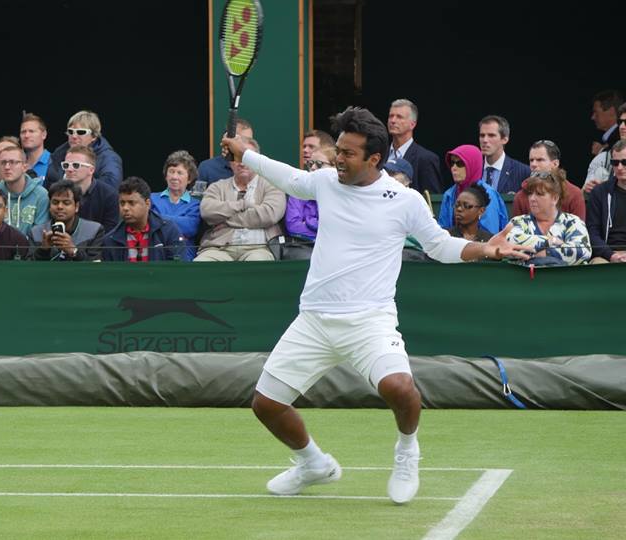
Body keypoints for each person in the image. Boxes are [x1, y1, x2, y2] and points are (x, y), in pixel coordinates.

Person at [220, 106, 531, 504]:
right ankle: (314, 464)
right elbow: (292, 179)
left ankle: (406, 452)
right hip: (314, 319)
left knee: (400, 387)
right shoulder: (327, 182)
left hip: (370, 320)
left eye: (348, 154)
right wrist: (244, 153)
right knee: (266, 404)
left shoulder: (404, 200)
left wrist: (485, 248)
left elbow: (439, 246)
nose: (338, 160)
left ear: (374, 159)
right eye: (339, 150)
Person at [195, 138, 285, 262]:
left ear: (257, 161)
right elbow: (207, 211)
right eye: (237, 158)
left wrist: (226, 221)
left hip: (260, 247)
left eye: (246, 158)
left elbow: (270, 214)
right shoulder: (217, 186)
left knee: (258, 263)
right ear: (230, 162)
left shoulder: (272, 185)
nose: (242, 163)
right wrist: (243, 204)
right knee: (201, 264)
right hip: (219, 248)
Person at [506, 169, 591, 266]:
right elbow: (510, 244)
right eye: (530, 193)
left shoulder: (572, 221)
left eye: (539, 194)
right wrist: (550, 241)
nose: (532, 199)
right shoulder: (518, 221)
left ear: (555, 198)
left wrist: (545, 253)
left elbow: (583, 251)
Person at [102, 176, 185, 262]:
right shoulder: (110, 239)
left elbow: (177, 270)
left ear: (147, 203)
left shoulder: (169, 231)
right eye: (122, 203)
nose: (125, 208)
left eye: (131, 203)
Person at [437, 144, 508, 235]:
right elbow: (443, 231)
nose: (454, 168)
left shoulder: (487, 195)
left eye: (460, 163)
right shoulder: (449, 194)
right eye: (452, 163)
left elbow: (489, 236)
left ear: (472, 164)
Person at [44, 110, 123, 189]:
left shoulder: (109, 158)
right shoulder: (59, 153)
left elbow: (109, 188)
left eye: (81, 132)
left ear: (94, 136)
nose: (74, 136)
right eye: (70, 131)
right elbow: (49, 184)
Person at [29, 180, 104, 261]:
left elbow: (96, 268)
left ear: (77, 206)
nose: (60, 206)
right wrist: (44, 250)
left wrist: (74, 251)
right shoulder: (36, 232)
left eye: (66, 203)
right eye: (55, 202)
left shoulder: (94, 231)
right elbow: (29, 269)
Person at [513, 141, 586, 220]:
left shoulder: (574, 194)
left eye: (540, 160)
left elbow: (579, 230)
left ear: (555, 164)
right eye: (531, 160)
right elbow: (517, 229)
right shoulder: (521, 196)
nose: (533, 164)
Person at [150, 150, 201, 261]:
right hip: (156, 254)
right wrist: (179, 223)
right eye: (171, 171)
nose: (174, 177)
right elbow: (148, 224)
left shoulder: (195, 205)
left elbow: (190, 228)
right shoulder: (151, 198)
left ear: (189, 179)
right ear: (166, 175)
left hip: (185, 256)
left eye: (179, 173)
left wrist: (158, 217)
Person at [387, 99, 445, 193]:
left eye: (399, 117)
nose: (393, 120)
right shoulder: (379, 155)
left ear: (412, 124)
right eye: (391, 116)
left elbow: (431, 200)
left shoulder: (426, 159)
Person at [286, 144, 336, 245]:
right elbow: (293, 227)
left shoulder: (342, 193)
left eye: (319, 164)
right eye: (310, 163)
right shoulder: (298, 190)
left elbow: (337, 228)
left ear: (334, 167)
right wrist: (319, 225)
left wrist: (308, 221)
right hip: (304, 248)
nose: (313, 168)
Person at [62, 145, 119, 232]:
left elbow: (110, 232)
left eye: (76, 165)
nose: (69, 169)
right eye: (66, 165)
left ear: (91, 170)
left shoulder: (109, 195)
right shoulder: (57, 192)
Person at [586, 139, 626, 263]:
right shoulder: (599, 192)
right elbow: (592, 233)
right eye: (615, 162)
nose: (619, 167)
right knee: (598, 264)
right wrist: (611, 255)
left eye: (625, 162)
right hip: (607, 254)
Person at [0, 144, 50, 235]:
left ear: (25, 167)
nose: (7, 167)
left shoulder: (41, 195)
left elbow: (40, 235)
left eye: (13, 162)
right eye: (3, 162)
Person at [477, 115, 530, 194]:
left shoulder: (524, 172)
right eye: (482, 135)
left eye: (491, 135)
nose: (485, 140)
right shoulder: (472, 170)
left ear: (505, 139)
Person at [198, 118, 254, 185]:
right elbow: (199, 194)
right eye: (242, 140)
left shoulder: (257, 167)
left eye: (249, 140)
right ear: (227, 140)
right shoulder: (207, 168)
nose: (245, 145)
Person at [585, 104, 626, 192]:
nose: (622, 126)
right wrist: (588, 190)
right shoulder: (603, 160)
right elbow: (582, 198)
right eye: (620, 122)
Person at [589, 89, 623, 156]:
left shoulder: (621, 137)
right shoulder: (613, 139)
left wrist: (601, 151)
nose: (592, 117)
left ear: (611, 112)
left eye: (596, 112)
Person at [20, 113, 52, 179]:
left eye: (31, 131)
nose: (26, 135)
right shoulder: (17, 164)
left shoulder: (54, 162)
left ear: (44, 134)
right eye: (23, 132)